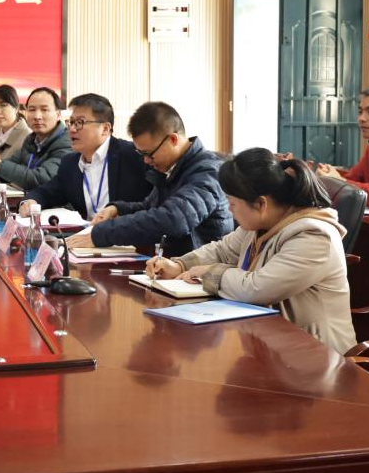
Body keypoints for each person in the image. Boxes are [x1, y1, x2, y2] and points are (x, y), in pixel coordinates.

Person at [145, 150, 356, 354]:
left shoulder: (314, 236)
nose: (229, 210)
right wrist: (180, 265)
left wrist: (208, 273)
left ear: (261, 204)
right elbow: (222, 250)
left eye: (233, 203)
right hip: (272, 345)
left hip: (317, 356)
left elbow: (258, 287)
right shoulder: (259, 225)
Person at [66, 101, 231, 255]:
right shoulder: (172, 168)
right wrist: (118, 209)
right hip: (173, 265)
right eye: (141, 154)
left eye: (149, 154)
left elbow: (173, 219)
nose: (146, 160)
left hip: (201, 269)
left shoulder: (208, 171)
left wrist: (102, 234)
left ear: (173, 139)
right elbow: (150, 207)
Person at [19, 93, 152, 220]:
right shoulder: (70, 163)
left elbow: (154, 205)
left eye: (80, 122)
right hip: (86, 234)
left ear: (105, 129)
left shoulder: (135, 155)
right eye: (71, 122)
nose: (72, 129)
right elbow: (46, 192)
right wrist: (31, 201)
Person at [0, 86, 73, 190]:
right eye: (32, 109)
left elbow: (43, 179)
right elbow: (8, 168)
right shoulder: (31, 140)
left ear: (58, 114)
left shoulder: (67, 142)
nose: (37, 116)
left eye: (44, 110)